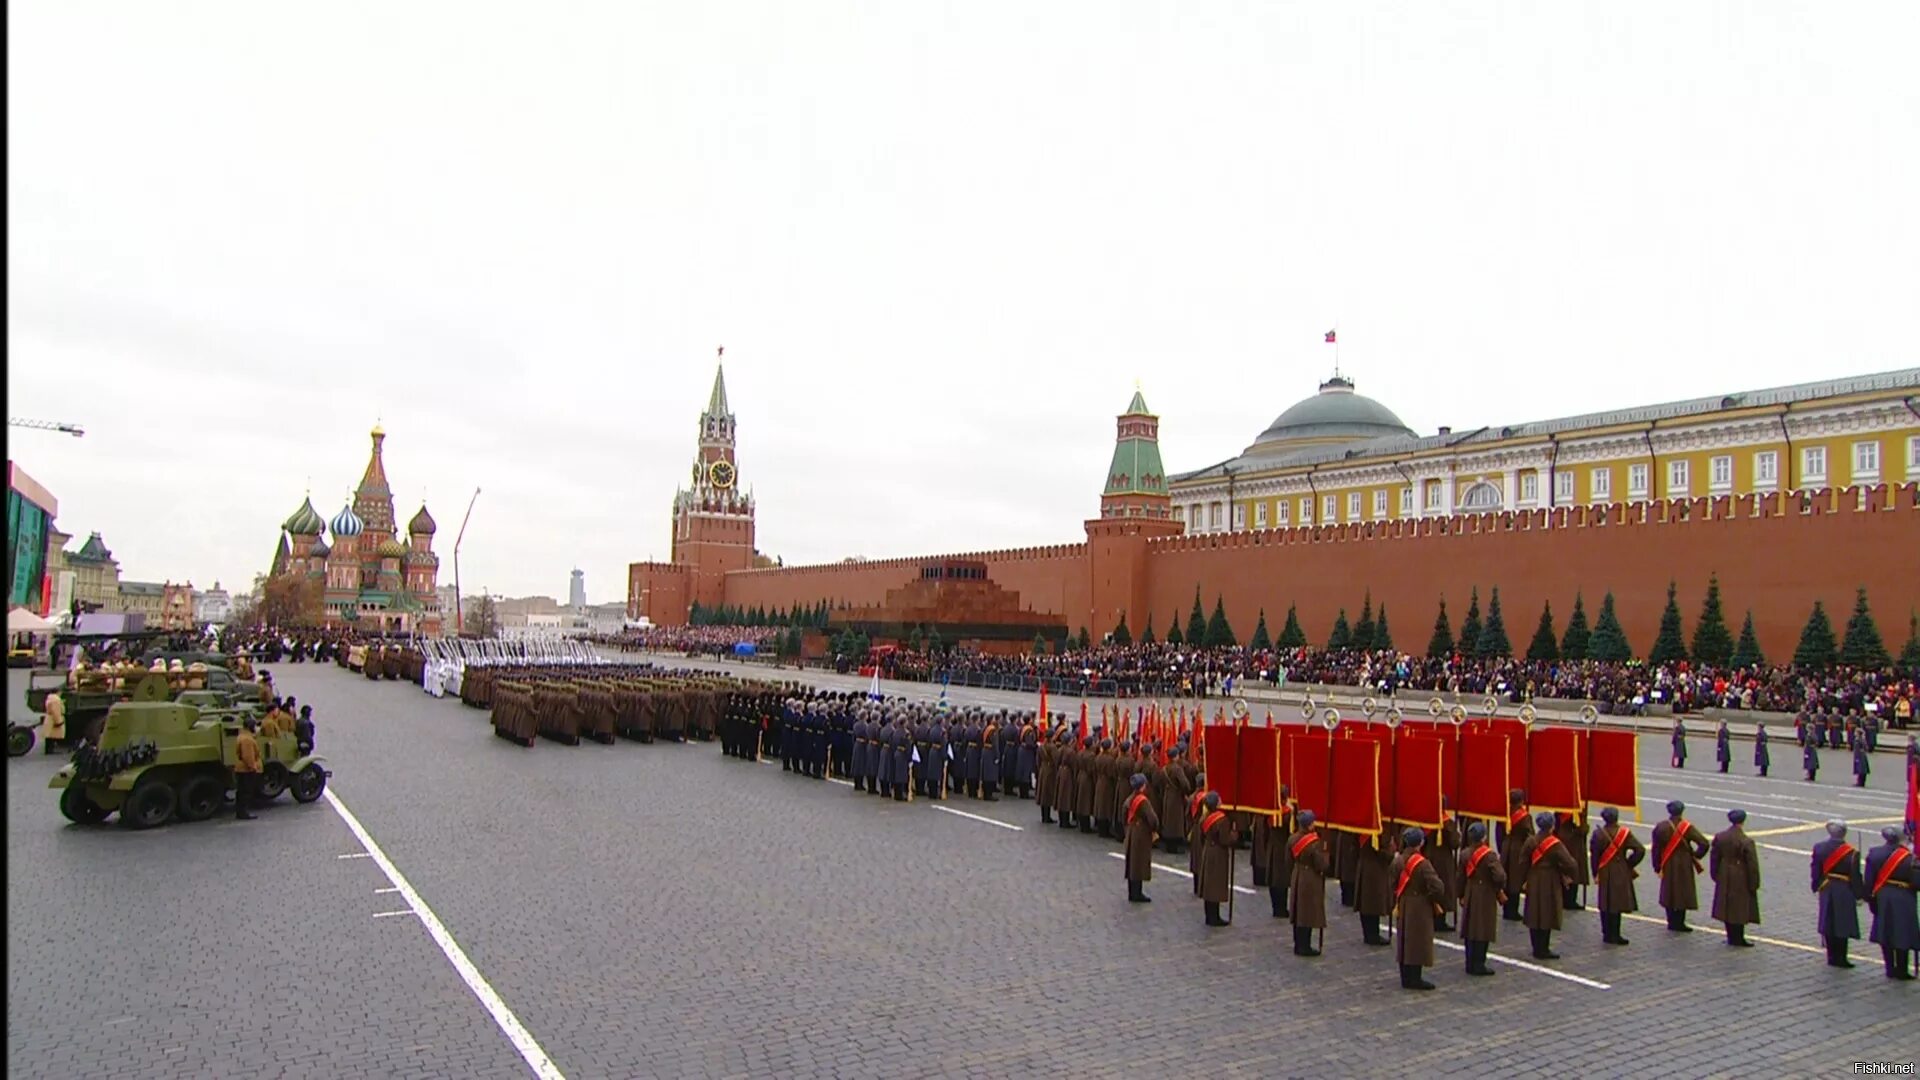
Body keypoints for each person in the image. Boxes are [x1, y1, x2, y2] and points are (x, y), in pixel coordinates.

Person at [1390, 825, 1445, 991]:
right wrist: (1430, 899)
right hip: (1420, 905)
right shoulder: (1422, 864)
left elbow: (1392, 883)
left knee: (1405, 939)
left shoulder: (1397, 860)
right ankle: (1414, 978)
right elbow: (1437, 887)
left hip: (1403, 902)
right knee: (1417, 941)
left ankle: (1405, 976)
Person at [1521, 810, 1579, 960]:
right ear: (1551, 826)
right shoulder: (1555, 844)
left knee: (1535, 911)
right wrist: (1564, 872)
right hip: (1550, 880)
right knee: (1546, 912)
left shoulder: (1530, 841)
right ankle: (1544, 948)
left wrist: (1525, 878)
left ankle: (1536, 947)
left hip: (1533, 878)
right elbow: (1570, 863)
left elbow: (1522, 862)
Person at [1865, 826, 1917, 980]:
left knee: (1886, 932)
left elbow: (1869, 881)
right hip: (1903, 898)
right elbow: (1916, 883)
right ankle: (1901, 969)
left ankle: (1889, 967)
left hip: (1883, 896)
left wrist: (1870, 900)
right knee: (1903, 933)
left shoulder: (1874, 853)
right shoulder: (1909, 857)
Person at [1810, 821, 1864, 968]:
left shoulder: (1819, 847)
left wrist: (1816, 885)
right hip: (1844, 889)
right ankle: (1841, 957)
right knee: (1843, 923)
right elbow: (1855, 875)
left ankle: (1831, 956)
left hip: (1826, 887)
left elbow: (1816, 870)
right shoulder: (1851, 853)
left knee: (1828, 921)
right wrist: (1859, 894)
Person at [1589, 806, 1645, 946]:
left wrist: (1595, 872)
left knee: (1606, 902)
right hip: (1620, 870)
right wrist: (1629, 864)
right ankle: (1615, 933)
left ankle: (1606, 933)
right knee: (1617, 903)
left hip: (1604, 870)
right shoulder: (1624, 833)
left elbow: (1594, 857)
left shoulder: (1598, 834)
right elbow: (1640, 850)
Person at [1652, 800, 1710, 932]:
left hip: (1667, 862)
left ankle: (1671, 921)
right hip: (1684, 863)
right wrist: (1696, 855)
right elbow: (1704, 843)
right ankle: (1680, 922)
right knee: (1683, 891)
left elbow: (1656, 849)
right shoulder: (1687, 827)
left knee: (1669, 891)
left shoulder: (1661, 827)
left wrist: (1657, 866)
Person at [1457, 821, 1505, 976]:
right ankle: (1479, 963)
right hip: (1485, 894)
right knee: (1483, 928)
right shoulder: (1489, 855)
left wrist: (1461, 894)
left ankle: (1469, 962)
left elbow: (1460, 877)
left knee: (1470, 928)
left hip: (1470, 892)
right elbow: (1499, 876)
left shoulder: (1464, 854)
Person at [1710, 809, 1761, 947]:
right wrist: (1754, 883)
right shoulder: (1746, 841)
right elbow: (1752, 865)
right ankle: (1738, 937)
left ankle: (1730, 936)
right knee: (1739, 907)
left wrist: (1716, 874)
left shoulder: (1720, 837)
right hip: (1740, 875)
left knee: (1727, 905)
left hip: (1724, 872)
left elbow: (1714, 858)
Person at [1288, 810, 1329, 957]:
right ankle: (1304, 945)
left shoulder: (1292, 838)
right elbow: (1321, 865)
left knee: (1299, 910)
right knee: (1307, 912)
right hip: (1311, 878)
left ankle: (1298, 943)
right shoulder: (1314, 843)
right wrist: (1325, 853)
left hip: (1297, 875)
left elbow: (1288, 860)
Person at [1197, 792, 1237, 927]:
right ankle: (1214, 917)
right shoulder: (1221, 820)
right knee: (1215, 885)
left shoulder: (1204, 818)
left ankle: (1209, 914)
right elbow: (1225, 839)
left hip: (1208, 851)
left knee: (1209, 884)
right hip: (1218, 854)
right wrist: (1234, 835)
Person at [1123, 774, 1159, 903]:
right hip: (1141, 833)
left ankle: (1132, 891)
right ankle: (1137, 893)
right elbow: (1152, 819)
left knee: (1132, 862)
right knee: (1138, 862)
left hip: (1131, 830)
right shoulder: (1143, 801)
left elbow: (1124, 815)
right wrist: (1154, 829)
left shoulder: (1129, 799)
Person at [1355, 829, 1395, 947]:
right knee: (1373, 903)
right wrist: (1391, 846)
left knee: (1365, 903)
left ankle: (1368, 933)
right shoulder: (1378, 832)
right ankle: (1373, 934)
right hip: (1376, 871)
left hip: (1363, 867)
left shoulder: (1362, 829)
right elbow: (1386, 855)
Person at [1497, 789, 1532, 923]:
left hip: (1506, 847)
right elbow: (1529, 835)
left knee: (1507, 877)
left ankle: (1507, 909)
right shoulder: (1524, 816)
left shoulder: (1505, 813)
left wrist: (1502, 847)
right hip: (1518, 849)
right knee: (1516, 880)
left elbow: (1498, 832)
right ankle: (1512, 911)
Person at [233, 718, 263, 821]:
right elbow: (248, 756)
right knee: (246, 791)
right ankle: (243, 813)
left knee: (241, 791)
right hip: (246, 769)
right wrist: (253, 767)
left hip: (241, 768)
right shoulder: (247, 739)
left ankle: (240, 812)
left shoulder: (242, 736)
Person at [41, 689, 66, 755]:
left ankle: (48, 750)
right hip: (53, 719)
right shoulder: (56, 700)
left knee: (49, 735)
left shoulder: (50, 698)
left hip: (49, 718)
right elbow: (56, 711)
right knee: (53, 735)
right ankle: (50, 750)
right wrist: (58, 721)